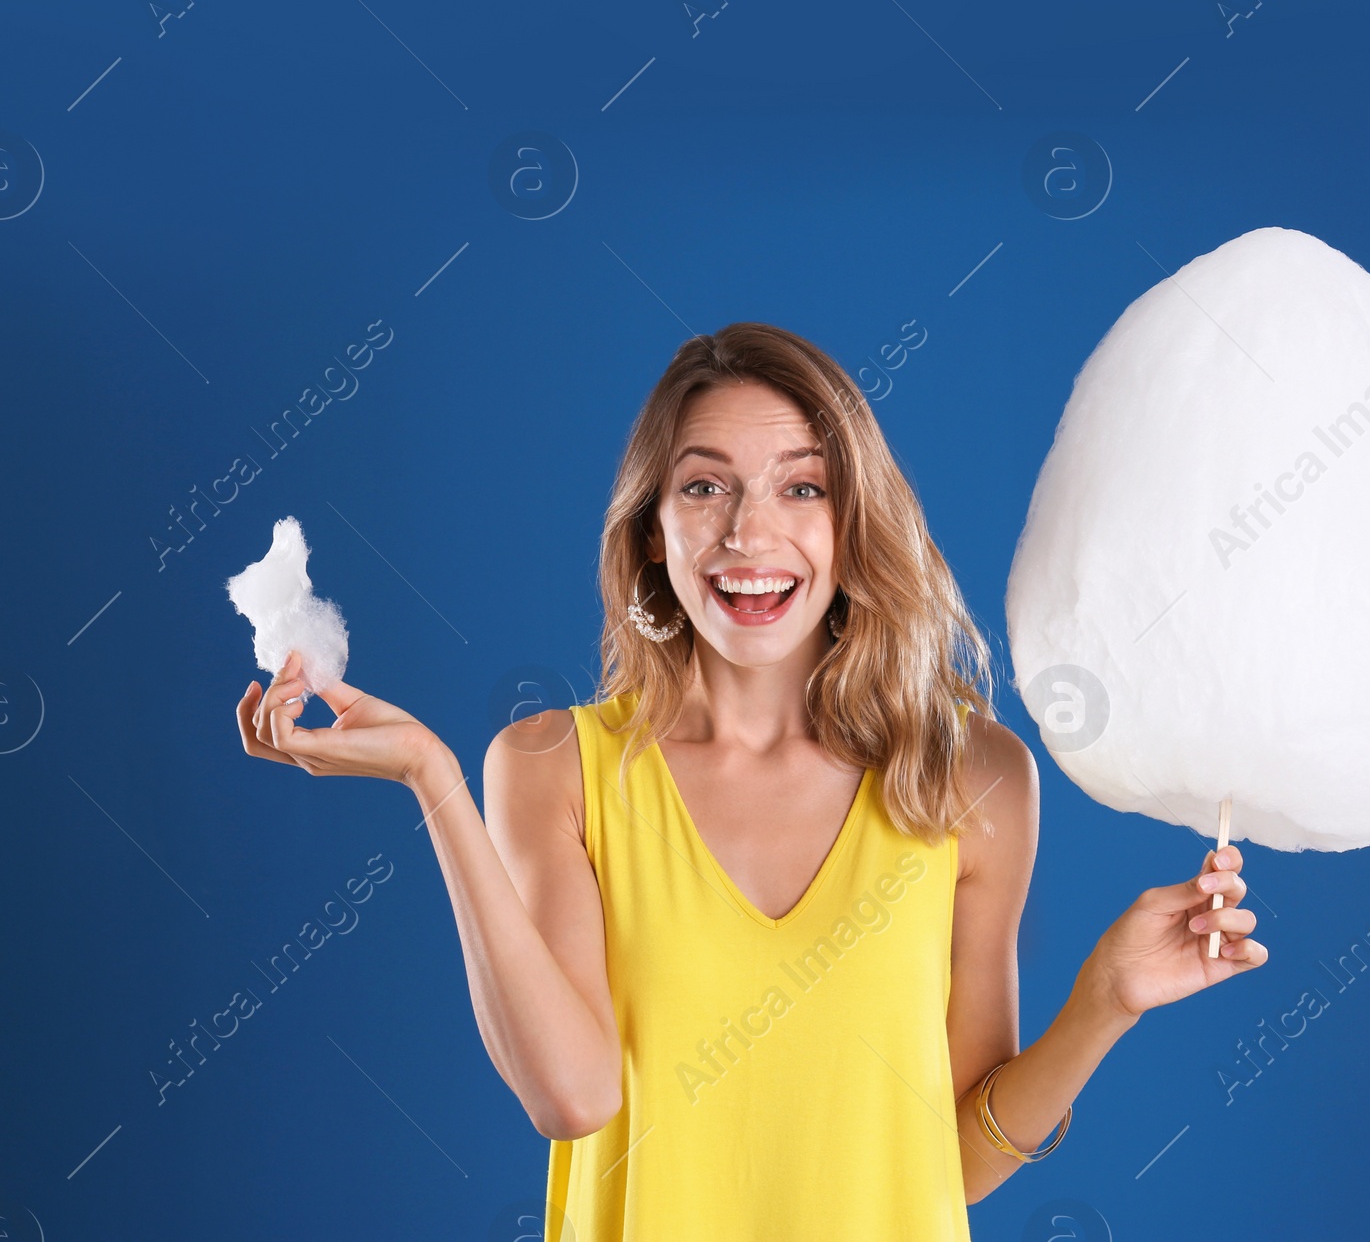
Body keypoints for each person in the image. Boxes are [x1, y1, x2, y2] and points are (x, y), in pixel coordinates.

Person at [236, 322, 1266, 1240]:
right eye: (704, 485)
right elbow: (573, 1097)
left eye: (800, 486)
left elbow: (950, 1164)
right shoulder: (554, 769)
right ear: (652, 530)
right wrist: (433, 779)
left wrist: (1105, 1003)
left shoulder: (973, 777)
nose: (747, 533)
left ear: (851, 524)